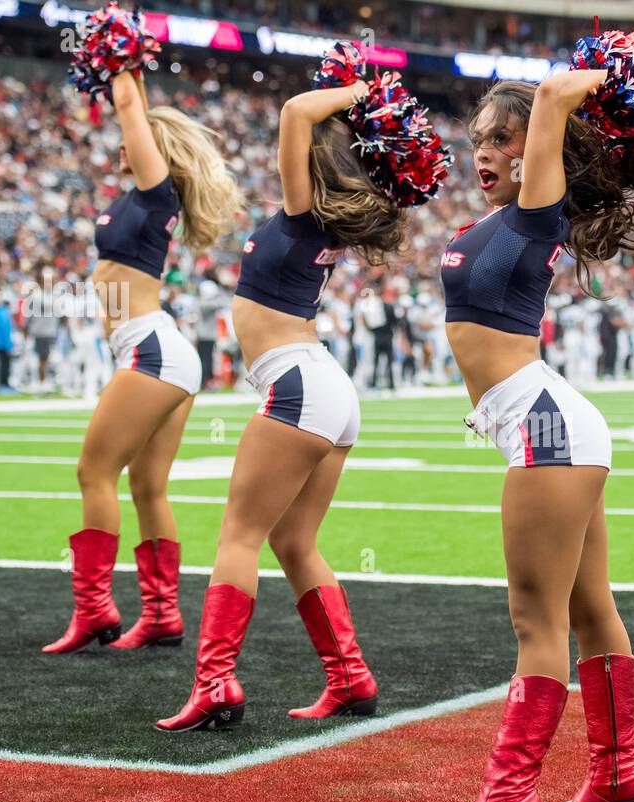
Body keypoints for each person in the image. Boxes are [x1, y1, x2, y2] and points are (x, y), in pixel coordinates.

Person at [158, 48, 444, 730]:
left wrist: (358, 92)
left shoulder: (300, 206)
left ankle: (217, 682)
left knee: (238, 535)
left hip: (296, 383)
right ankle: (350, 677)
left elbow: (293, 111)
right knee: (294, 542)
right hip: (325, 387)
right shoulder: (320, 218)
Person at [426, 71, 634, 802]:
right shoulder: (500, 220)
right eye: (477, 142)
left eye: (503, 138)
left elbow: (559, 96)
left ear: (542, 149)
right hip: (552, 424)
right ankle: (618, 776)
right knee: (589, 609)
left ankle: (508, 797)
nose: (485, 153)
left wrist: (623, 73)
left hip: (546, 428)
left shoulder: (536, 211)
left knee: (537, 620)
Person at [43, 68, 242, 655]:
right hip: (157, 348)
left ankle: (95, 609)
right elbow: (137, 111)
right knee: (148, 488)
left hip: (149, 347)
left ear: (150, 148)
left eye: (129, 137)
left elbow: (130, 103)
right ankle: (160, 615)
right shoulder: (142, 195)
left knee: (93, 473)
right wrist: (125, 82)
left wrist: (119, 61)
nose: (120, 144)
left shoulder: (156, 191)